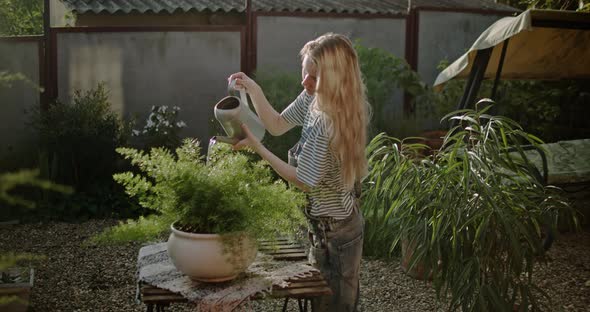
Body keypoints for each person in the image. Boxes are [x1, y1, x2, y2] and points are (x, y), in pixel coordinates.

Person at [228, 33, 370, 312]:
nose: (305, 82)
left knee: (335, 305)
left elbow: (303, 181)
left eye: (314, 78)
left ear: (335, 80)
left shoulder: (327, 122)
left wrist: (258, 149)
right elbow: (278, 124)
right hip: (333, 222)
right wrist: (254, 89)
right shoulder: (315, 98)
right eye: (305, 73)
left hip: (335, 233)